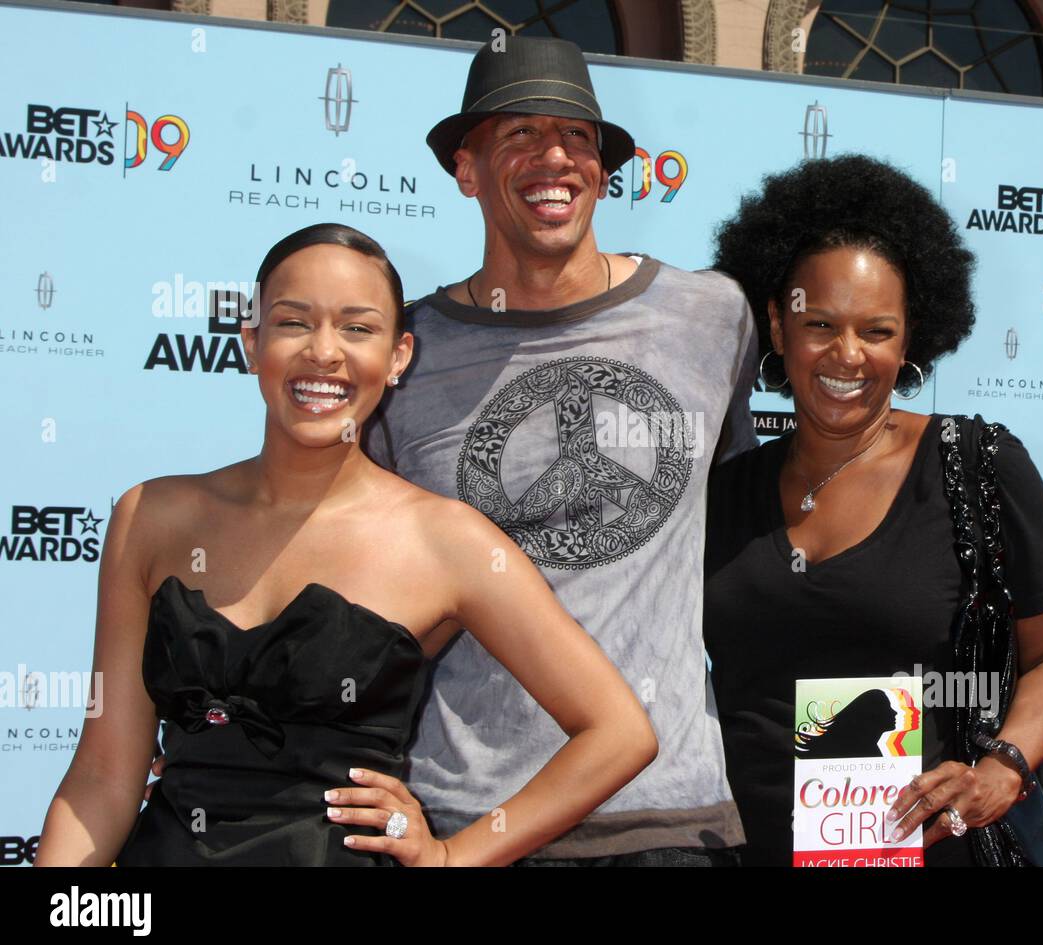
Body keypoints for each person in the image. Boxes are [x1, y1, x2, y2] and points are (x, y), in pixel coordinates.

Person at [35, 223, 657, 867]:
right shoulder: (152, 516)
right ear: (251, 343)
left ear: (398, 358)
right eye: (293, 322)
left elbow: (617, 733)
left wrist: (454, 859)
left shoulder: (445, 540)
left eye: (358, 329)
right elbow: (104, 775)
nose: (324, 353)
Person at [362, 36, 758, 865]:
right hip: (467, 821)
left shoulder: (712, 318)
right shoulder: (406, 357)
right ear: (466, 169)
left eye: (578, 137)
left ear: (603, 170)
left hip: (671, 821)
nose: (556, 157)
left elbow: (759, 518)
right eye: (520, 135)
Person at [704, 154, 1043, 867]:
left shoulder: (976, 467)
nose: (846, 355)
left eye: (876, 331)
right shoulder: (722, 492)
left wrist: (1001, 769)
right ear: (777, 326)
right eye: (818, 322)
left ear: (910, 338)